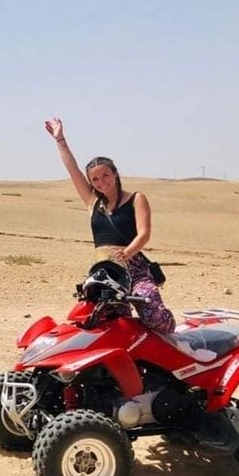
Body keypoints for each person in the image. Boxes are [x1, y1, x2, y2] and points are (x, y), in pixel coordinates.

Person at [44, 116, 175, 334]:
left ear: (115, 173)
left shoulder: (136, 198)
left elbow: (144, 233)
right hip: (106, 274)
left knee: (154, 315)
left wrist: (128, 252)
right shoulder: (93, 203)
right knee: (109, 324)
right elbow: (73, 170)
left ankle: (179, 344)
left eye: (105, 175)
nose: (101, 182)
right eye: (95, 179)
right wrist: (60, 140)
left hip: (136, 270)